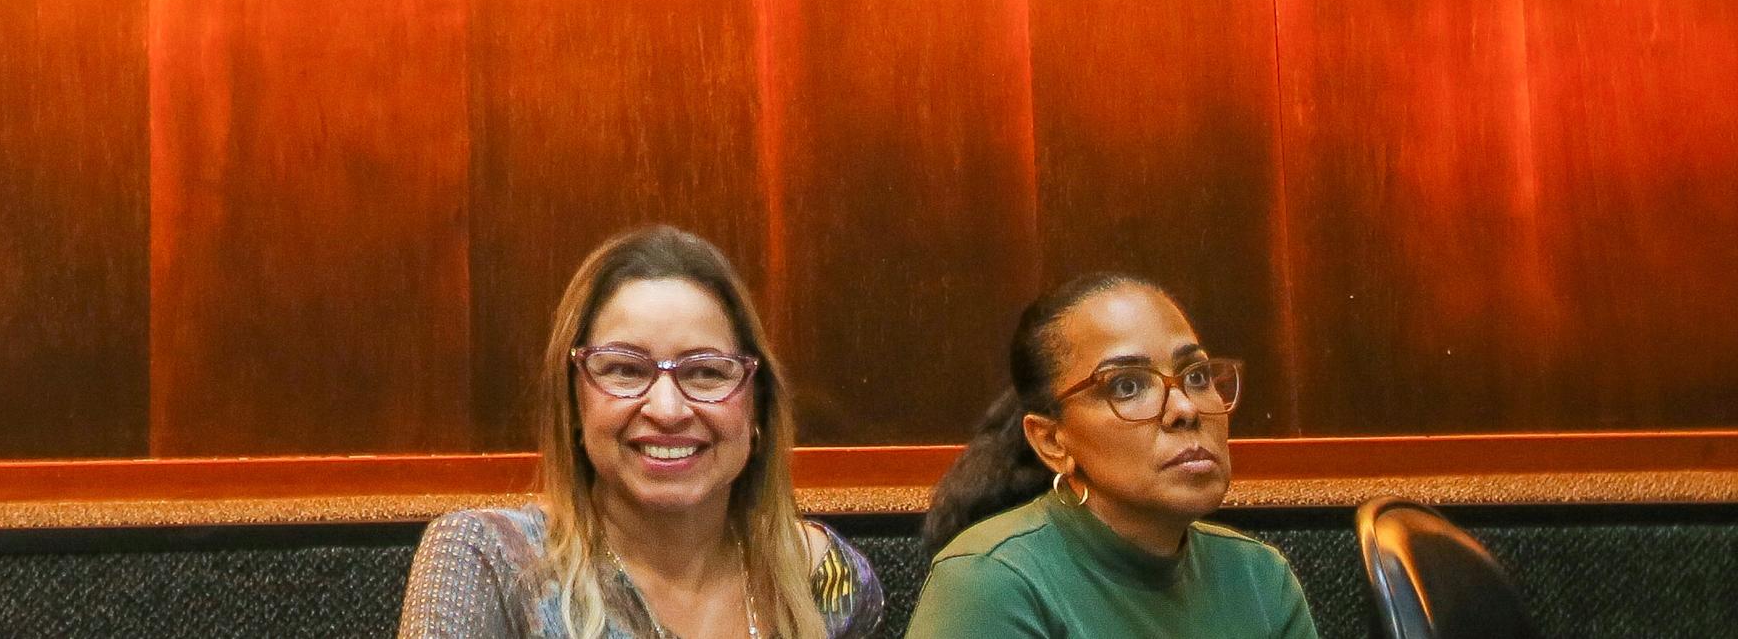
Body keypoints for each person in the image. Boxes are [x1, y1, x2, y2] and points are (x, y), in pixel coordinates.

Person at [400, 225, 879, 639]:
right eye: (625, 370)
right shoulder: (489, 561)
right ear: (573, 403)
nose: (667, 410)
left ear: (758, 405)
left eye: (706, 372)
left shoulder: (826, 583)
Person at [908, 274, 1313, 639]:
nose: (1185, 408)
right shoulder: (989, 581)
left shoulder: (1259, 578)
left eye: (1197, 376)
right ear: (1052, 441)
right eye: (1127, 386)